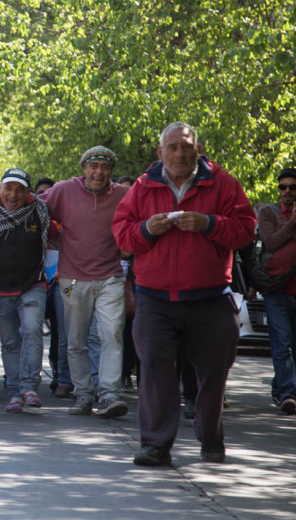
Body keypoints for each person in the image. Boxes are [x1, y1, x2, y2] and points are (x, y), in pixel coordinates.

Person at [113, 122, 255, 466]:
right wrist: (147, 229)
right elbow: (122, 235)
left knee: (213, 375)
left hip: (209, 298)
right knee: (156, 372)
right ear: (160, 152)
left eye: (186, 147)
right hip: (155, 298)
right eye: (172, 147)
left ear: (198, 149)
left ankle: (211, 438)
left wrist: (209, 224)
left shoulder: (222, 183)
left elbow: (246, 231)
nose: (179, 153)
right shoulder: (144, 186)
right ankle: (156, 445)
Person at [30, 146, 131, 418]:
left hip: (110, 277)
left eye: (105, 167)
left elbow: (147, 209)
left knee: (111, 334)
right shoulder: (64, 190)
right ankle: (84, 394)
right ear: (84, 168)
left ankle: (109, 394)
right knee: (75, 340)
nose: (99, 172)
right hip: (72, 279)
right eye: (93, 166)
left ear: (111, 171)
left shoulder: (123, 194)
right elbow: (33, 205)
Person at [0, 168, 58, 412]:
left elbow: (58, 236)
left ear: (28, 193)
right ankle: (15, 392)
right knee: (10, 342)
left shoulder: (39, 212)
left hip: (32, 285)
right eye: (8, 188)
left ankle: (29, 387)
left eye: (20, 190)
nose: (13, 195)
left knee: (33, 332)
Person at [255, 167, 296, 415]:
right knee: (282, 343)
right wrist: (293, 225)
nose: (287, 191)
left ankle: (280, 388)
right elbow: (270, 242)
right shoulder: (269, 212)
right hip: (276, 287)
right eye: (282, 187)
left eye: (292, 187)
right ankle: (288, 393)